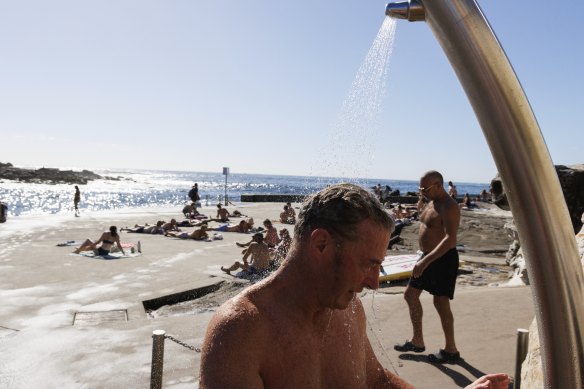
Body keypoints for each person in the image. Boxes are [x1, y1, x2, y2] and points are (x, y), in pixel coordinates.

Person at [200, 183, 507, 388]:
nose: (374, 283)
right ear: (321, 245)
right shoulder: (242, 330)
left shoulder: (347, 312)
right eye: (368, 264)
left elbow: (377, 383)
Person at [394, 171, 462, 364]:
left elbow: (450, 240)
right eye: (420, 188)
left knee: (440, 302)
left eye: (425, 188)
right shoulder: (431, 201)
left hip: (442, 259)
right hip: (426, 257)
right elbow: (428, 225)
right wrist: (420, 207)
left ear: (439, 186)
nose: (421, 191)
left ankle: (451, 350)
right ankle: (417, 341)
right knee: (410, 295)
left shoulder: (450, 207)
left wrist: (426, 260)